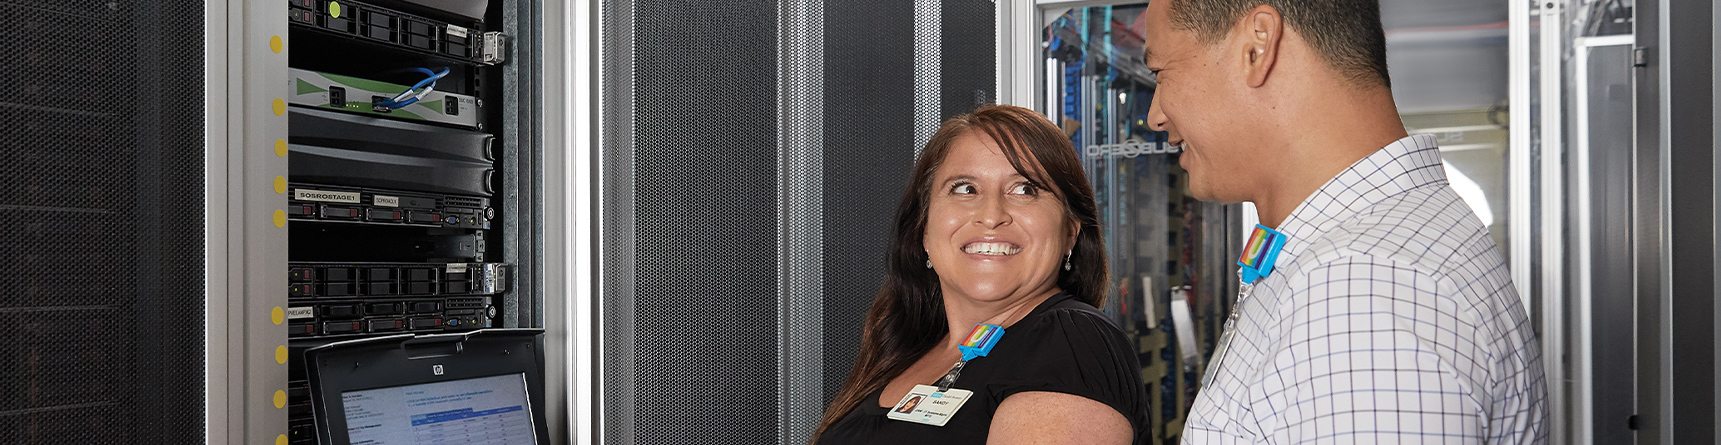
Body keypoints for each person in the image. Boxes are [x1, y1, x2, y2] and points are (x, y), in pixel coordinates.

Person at [1138, 0, 1549, 443]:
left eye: (1161, 73)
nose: (1155, 115)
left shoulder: (1362, 289)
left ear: (1258, 46)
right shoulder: (1373, 255)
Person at [813, 105, 1148, 444]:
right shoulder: (907, 349)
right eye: (964, 189)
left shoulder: (1072, 345)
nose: (991, 216)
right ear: (923, 231)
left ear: (1070, 234)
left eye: (1025, 189)